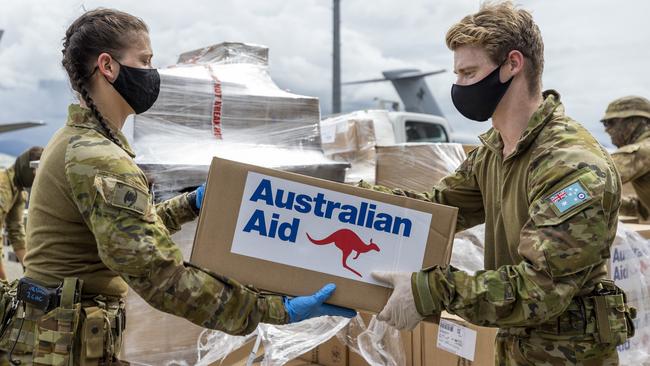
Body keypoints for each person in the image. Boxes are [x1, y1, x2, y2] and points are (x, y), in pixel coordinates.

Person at [3, 8, 354, 365]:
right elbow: (160, 276)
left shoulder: (77, 141)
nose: (152, 73)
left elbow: (131, 231)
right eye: (145, 60)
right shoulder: (97, 157)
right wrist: (274, 309)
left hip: (53, 340)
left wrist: (193, 204)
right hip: (58, 349)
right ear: (108, 67)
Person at [364, 2, 634, 364]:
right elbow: (436, 210)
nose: (458, 86)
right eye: (456, 74)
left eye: (469, 73)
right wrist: (354, 201)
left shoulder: (571, 165)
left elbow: (539, 289)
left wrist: (430, 290)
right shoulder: (494, 152)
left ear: (512, 64)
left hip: (567, 356)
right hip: (513, 348)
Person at [602, 96, 650, 221]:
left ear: (634, 122)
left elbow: (586, 183)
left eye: (610, 122)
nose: (606, 130)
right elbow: (644, 209)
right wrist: (605, 201)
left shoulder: (642, 151)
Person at [0, 147, 42, 280]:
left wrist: (29, 271)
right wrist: (4, 283)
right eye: (35, 171)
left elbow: (16, 231)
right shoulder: (2, 188)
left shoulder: (18, 191)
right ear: (27, 167)